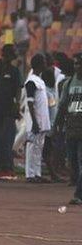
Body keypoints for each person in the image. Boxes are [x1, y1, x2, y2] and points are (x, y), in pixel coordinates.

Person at [55, 53, 82, 204]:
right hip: (72, 127)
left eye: (79, 64)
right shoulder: (69, 83)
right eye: (76, 64)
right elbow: (62, 106)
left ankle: (79, 194)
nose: (77, 67)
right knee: (72, 161)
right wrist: (56, 126)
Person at [0, 44, 22, 181]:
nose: (4, 57)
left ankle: (9, 168)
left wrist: (16, 104)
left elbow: (18, 88)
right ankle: (2, 167)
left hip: (9, 109)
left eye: (6, 55)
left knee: (7, 138)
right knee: (0, 138)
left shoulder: (14, 71)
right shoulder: (0, 70)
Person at [24, 54, 51, 183]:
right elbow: (30, 102)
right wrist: (34, 121)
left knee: (39, 148)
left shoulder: (40, 81)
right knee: (31, 147)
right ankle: (30, 174)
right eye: (44, 62)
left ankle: (37, 173)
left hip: (42, 120)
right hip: (34, 120)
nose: (46, 64)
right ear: (40, 64)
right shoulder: (31, 81)